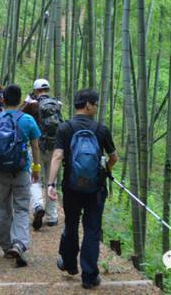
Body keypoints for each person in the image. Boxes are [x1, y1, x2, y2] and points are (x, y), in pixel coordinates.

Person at [47, 89, 118, 289]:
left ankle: (69, 264)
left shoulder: (65, 128)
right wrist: (105, 170)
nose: (96, 107)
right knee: (92, 229)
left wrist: (50, 184)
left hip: (71, 187)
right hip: (95, 188)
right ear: (88, 105)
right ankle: (89, 276)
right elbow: (114, 157)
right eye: (95, 104)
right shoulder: (101, 130)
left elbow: (57, 156)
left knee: (71, 224)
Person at [0, 84, 42, 268]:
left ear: (3, 99)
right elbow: (35, 146)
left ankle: (5, 245)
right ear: (19, 101)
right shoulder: (27, 120)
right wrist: (36, 168)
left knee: (3, 209)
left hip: (1, 172)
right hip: (21, 171)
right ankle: (19, 243)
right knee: (22, 209)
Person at [23, 79, 63, 230]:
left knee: (35, 178)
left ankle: (38, 205)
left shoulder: (32, 105)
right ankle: (52, 216)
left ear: (35, 90)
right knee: (51, 181)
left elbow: (19, 115)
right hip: (55, 149)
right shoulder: (58, 104)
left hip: (37, 147)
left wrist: (27, 101)